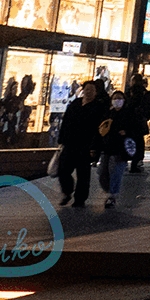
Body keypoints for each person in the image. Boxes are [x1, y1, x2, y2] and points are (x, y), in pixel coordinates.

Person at [58, 80, 105, 208]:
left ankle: (80, 199)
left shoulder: (98, 107)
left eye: (92, 89)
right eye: (87, 89)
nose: (89, 91)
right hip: (70, 143)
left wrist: (95, 147)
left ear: (96, 92)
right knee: (62, 169)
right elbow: (66, 121)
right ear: (83, 90)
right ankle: (67, 191)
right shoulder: (76, 103)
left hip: (86, 145)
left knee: (83, 174)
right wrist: (62, 140)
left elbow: (99, 129)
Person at [97, 85, 145, 209]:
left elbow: (138, 129)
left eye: (120, 98)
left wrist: (127, 132)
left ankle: (112, 195)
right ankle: (109, 190)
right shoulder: (108, 113)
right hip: (107, 147)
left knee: (116, 172)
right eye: (115, 98)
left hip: (121, 149)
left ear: (124, 100)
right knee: (102, 172)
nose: (117, 100)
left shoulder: (129, 114)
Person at [125, 75, 150, 176]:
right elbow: (149, 110)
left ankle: (125, 161)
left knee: (127, 140)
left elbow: (127, 106)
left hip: (129, 122)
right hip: (140, 123)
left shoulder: (129, 93)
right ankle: (135, 163)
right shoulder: (148, 94)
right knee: (138, 142)